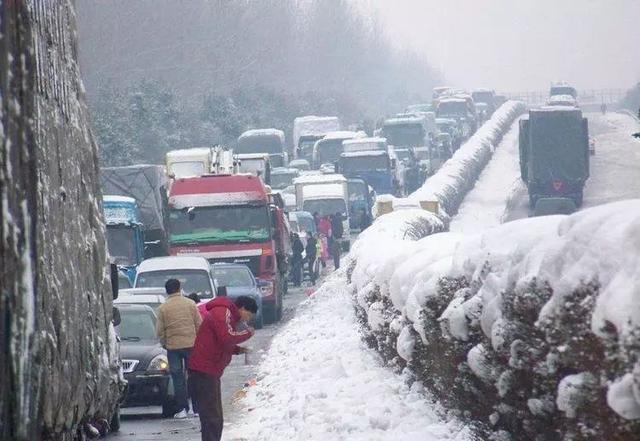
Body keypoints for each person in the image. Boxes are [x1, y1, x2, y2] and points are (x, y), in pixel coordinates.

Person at [188, 296, 257, 441]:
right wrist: (248, 333)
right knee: (212, 417)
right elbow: (226, 337)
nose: (247, 320)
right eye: (248, 315)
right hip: (204, 369)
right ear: (242, 308)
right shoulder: (222, 312)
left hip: (209, 371)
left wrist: (238, 350)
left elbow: (221, 342)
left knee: (213, 417)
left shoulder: (228, 315)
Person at [156, 279, 202, 418]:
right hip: (191, 344)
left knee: (178, 378)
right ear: (179, 288)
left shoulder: (163, 308)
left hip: (173, 347)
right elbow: (199, 324)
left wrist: (165, 343)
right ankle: (197, 408)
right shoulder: (190, 304)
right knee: (193, 377)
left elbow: (159, 331)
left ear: (167, 291)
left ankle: (183, 409)